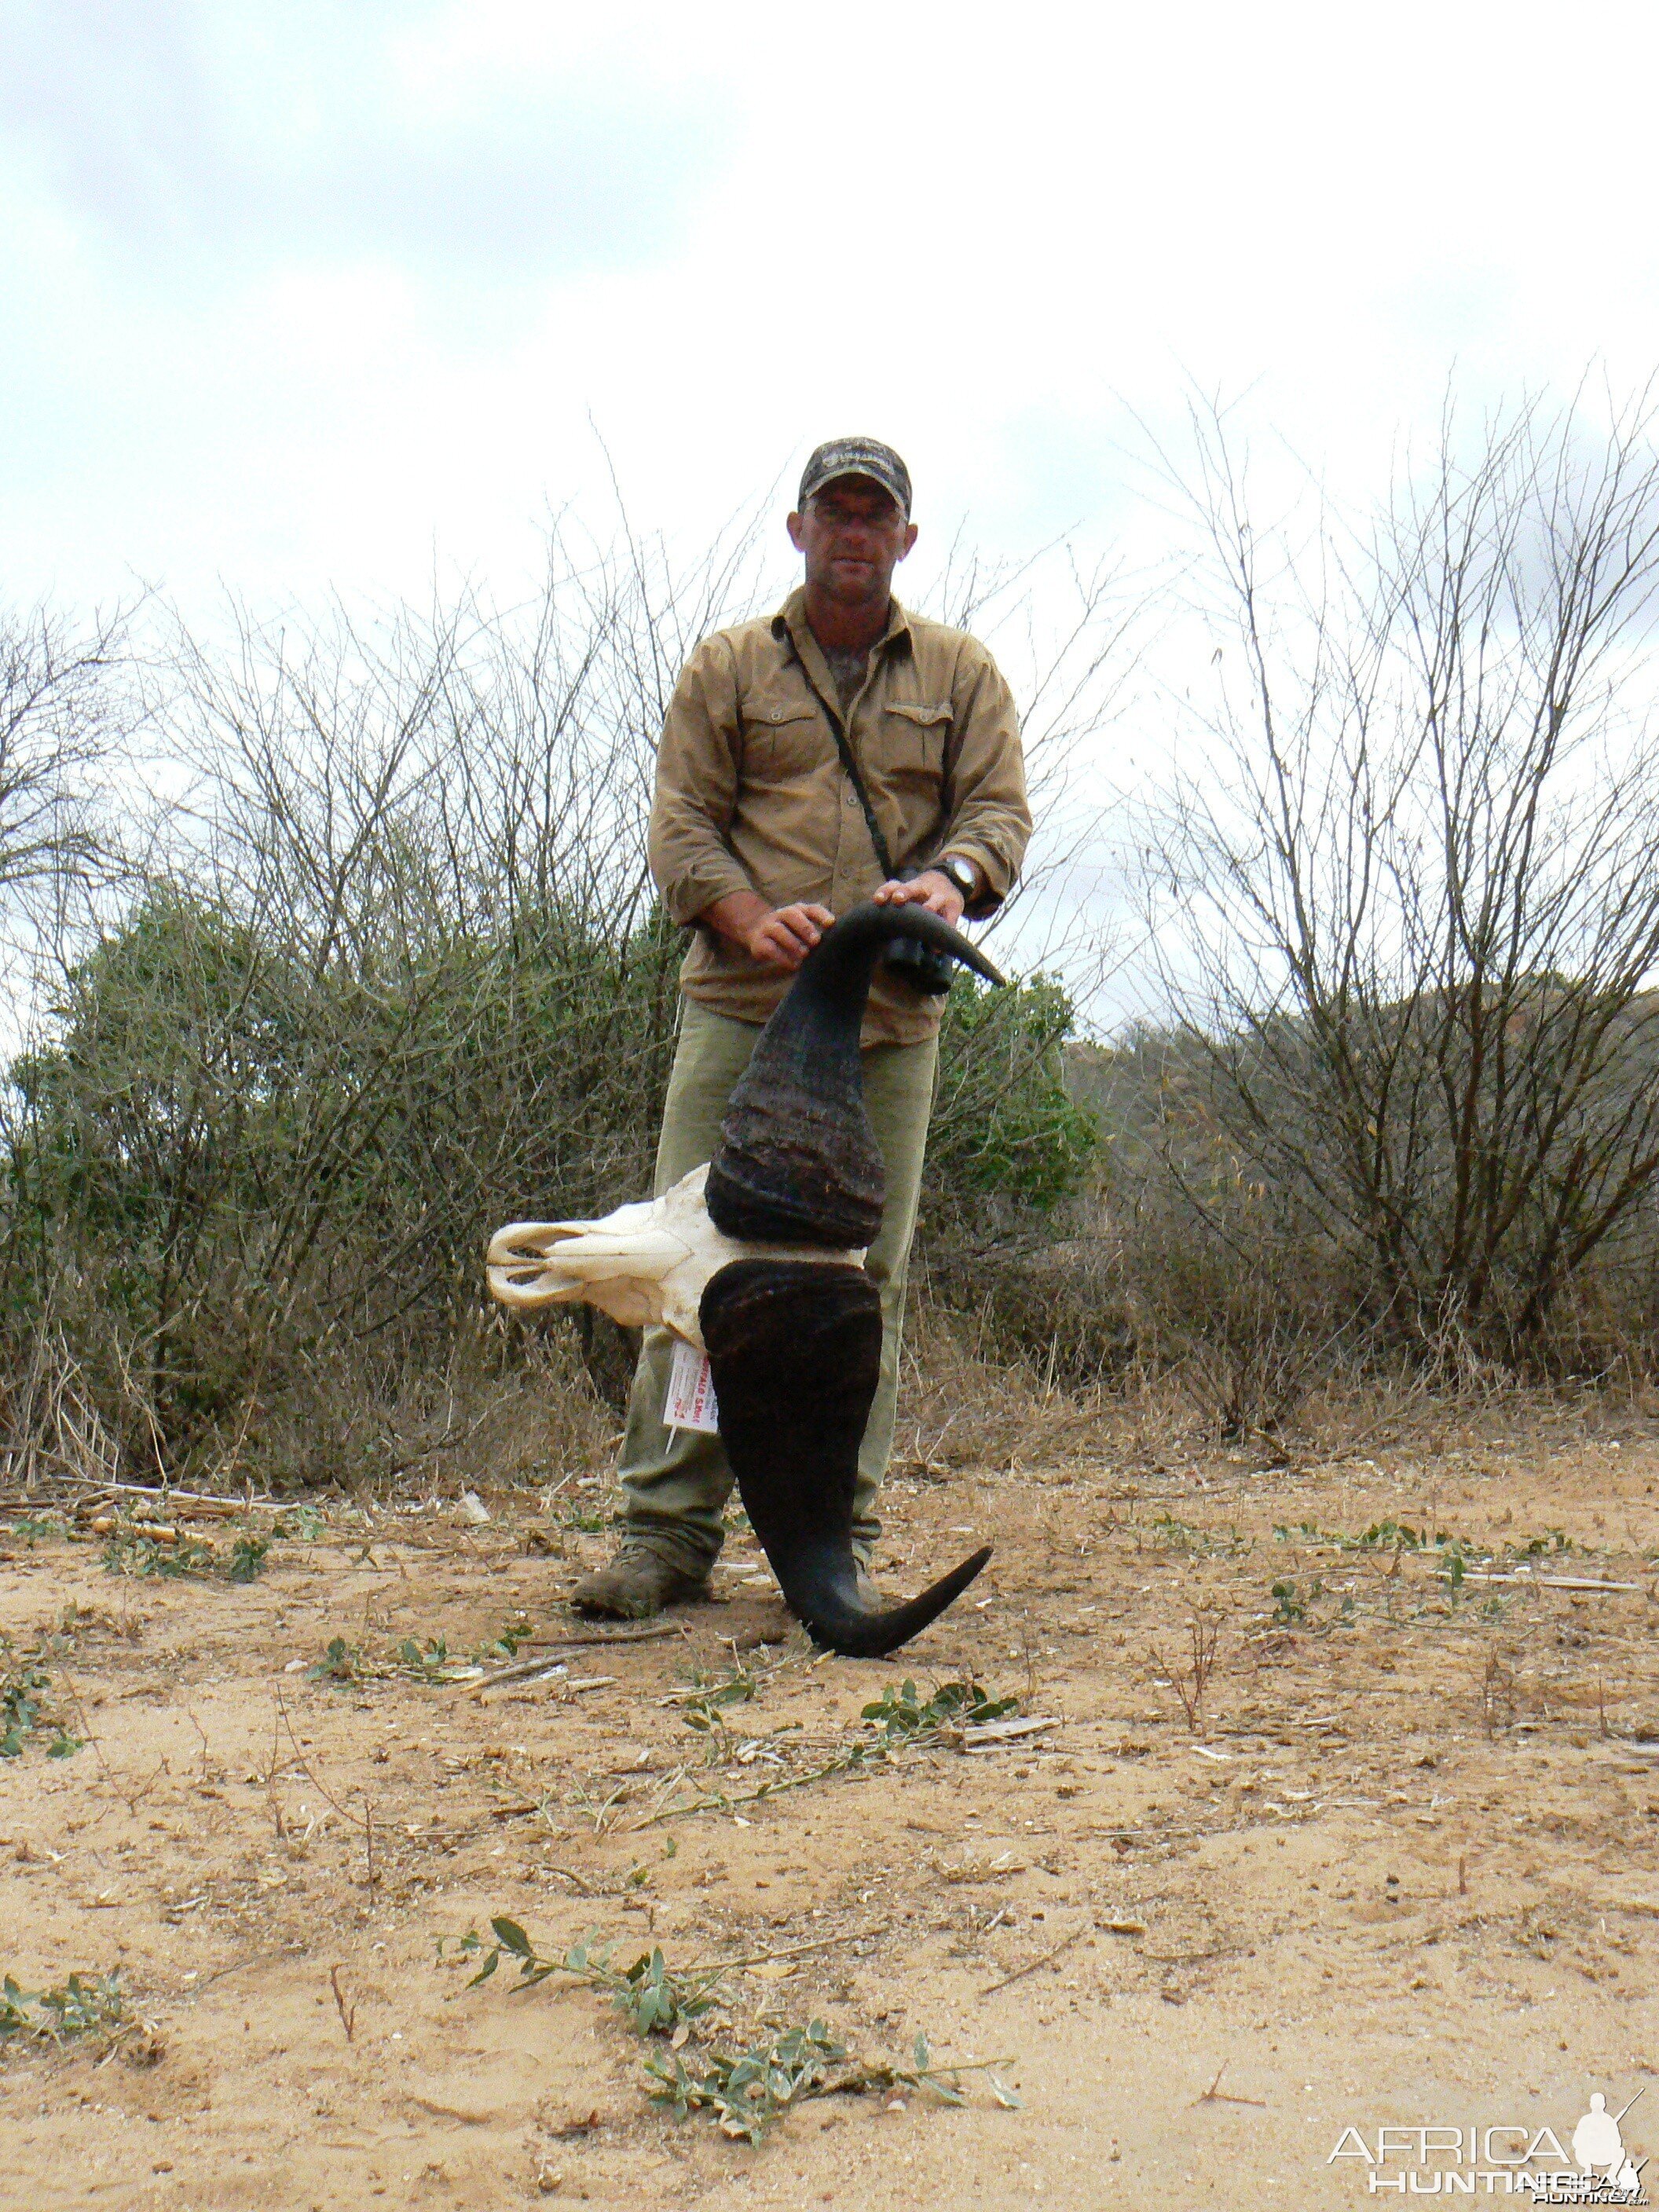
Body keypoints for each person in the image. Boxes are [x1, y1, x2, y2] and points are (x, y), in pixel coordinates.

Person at [572, 436, 1032, 1618]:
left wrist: (951, 883)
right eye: (836, 513)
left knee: (857, 1288)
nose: (855, 534)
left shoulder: (963, 672)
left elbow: (997, 815)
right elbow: (680, 826)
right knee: (696, 1270)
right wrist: (745, 912)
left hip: (883, 1024)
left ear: (905, 540)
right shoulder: (729, 667)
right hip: (741, 1011)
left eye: (876, 517)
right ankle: (664, 1537)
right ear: (799, 530)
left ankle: (835, 1544)